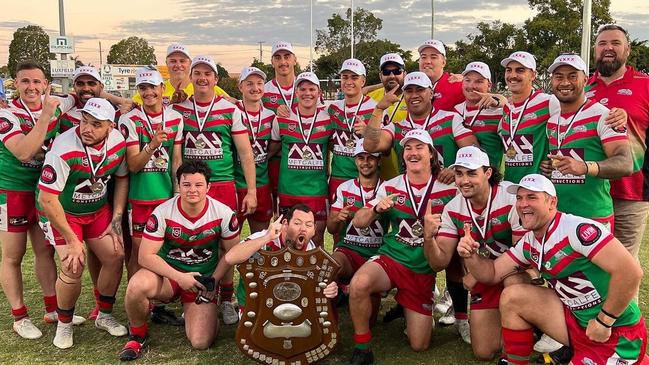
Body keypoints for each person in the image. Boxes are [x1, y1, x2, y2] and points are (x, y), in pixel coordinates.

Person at [458, 173, 647, 365]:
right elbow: (491, 274)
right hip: (577, 324)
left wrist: (604, 320)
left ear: (552, 202)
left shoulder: (576, 229)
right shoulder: (530, 242)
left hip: (617, 330)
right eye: (519, 198)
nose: (523, 204)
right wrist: (471, 256)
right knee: (513, 296)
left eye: (532, 197)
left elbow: (630, 272)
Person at [346, 130, 457, 365]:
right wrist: (376, 209)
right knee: (358, 284)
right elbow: (359, 221)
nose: (413, 152)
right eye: (408, 148)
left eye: (419, 147)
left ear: (431, 154)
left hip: (422, 269)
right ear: (403, 155)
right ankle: (362, 349)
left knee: (419, 345)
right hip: (392, 259)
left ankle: (408, 307)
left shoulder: (449, 188)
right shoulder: (391, 186)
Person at [118, 160, 240, 361]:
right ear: (178, 185)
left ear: (208, 187)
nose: (192, 190)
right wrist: (180, 277)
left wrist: (214, 281)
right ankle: (137, 335)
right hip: (169, 277)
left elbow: (232, 254)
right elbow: (145, 256)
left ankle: (208, 309)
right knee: (136, 285)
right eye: (187, 184)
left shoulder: (223, 213)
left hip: (202, 280)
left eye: (198, 185)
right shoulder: (163, 212)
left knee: (200, 342)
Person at [37, 98, 129, 349]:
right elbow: (47, 198)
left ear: (110, 126)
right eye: (84, 121)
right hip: (62, 213)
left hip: (97, 210)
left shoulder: (119, 142)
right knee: (73, 264)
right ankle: (64, 324)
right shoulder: (64, 147)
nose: (87, 128)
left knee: (115, 255)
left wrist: (117, 217)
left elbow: (121, 178)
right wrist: (72, 239)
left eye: (96, 124)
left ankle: (104, 314)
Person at [172, 55, 257, 324]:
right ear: (190, 77)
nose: (202, 78)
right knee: (191, 241)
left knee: (225, 243)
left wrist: (251, 190)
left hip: (222, 184)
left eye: (208, 74)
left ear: (216, 80)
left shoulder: (230, 110)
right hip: (191, 186)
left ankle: (226, 298)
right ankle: (191, 294)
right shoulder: (179, 110)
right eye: (197, 73)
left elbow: (245, 154)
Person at [0, 61, 81, 340]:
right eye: (25, 81)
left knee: (44, 251)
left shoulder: (57, 103)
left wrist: (119, 100)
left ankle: (52, 309)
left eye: (37, 82)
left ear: (46, 84)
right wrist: (46, 115)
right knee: (13, 255)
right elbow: (23, 152)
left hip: (43, 191)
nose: (31, 87)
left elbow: (83, 94)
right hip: (12, 191)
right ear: (16, 84)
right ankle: (19, 316)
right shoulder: (7, 114)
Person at [427, 146, 526, 357]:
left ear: (488, 173)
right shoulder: (453, 208)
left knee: (513, 285)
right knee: (483, 352)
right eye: (459, 173)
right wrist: (428, 238)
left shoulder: (510, 199)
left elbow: (523, 254)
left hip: (514, 272)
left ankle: (525, 329)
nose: (464, 180)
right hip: (484, 275)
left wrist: (478, 273)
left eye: (472, 173)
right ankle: (518, 322)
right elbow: (439, 263)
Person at [541, 54, 632, 229]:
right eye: (559, 77)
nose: (565, 82)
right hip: (558, 215)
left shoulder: (604, 115)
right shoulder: (552, 122)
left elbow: (625, 163)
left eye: (572, 76)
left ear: (586, 79)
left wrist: (584, 167)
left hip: (593, 216)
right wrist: (550, 168)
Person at [586, 24, 649, 259]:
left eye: (615, 43)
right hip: (588, 191)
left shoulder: (645, 84)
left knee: (622, 266)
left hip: (630, 194)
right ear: (595, 50)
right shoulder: (583, 87)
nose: (608, 48)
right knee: (589, 264)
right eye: (602, 44)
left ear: (628, 50)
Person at [118, 67, 184, 275]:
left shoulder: (175, 118)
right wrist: (152, 145)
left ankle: (160, 299)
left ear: (162, 88)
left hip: (166, 197)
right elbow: (133, 165)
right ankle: (138, 302)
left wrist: (177, 193)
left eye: (153, 87)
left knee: (167, 249)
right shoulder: (129, 120)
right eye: (143, 88)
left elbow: (176, 160)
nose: (148, 93)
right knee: (139, 252)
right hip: (140, 197)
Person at [230, 204, 338, 314]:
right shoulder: (265, 238)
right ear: (285, 224)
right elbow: (230, 257)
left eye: (308, 225)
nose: (303, 229)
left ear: (314, 230)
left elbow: (318, 286)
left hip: (287, 306)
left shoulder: (311, 252)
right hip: (254, 303)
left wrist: (329, 287)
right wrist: (266, 238)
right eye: (297, 223)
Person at [364, 71, 477, 171]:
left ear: (431, 93)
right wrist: (379, 110)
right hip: (410, 193)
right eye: (409, 91)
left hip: (445, 191)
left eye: (420, 90)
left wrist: (456, 170)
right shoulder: (396, 127)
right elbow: (370, 146)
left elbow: (476, 153)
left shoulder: (451, 119)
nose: (414, 95)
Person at [271, 71, 333, 247]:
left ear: (319, 92)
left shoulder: (328, 118)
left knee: (317, 238)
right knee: (284, 240)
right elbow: (273, 150)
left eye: (312, 89)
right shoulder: (281, 118)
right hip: (288, 191)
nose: (307, 93)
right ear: (296, 92)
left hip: (317, 191)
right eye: (303, 89)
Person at [327, 139, 386, 302]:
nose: (365, 163)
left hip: (376, 255)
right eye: (361, 158)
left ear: (379, 160)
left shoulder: (388, 188)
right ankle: (329, 315)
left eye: (370, 158)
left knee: (370, 318)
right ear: (355, 160)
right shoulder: (344, 188)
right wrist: (337, 219)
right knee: (330, 266)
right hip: (348, 251)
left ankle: (356, 290)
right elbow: (331, 229)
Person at [234, 66, 277, 233]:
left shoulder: (271, 116)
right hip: (237, 185)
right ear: (240, 87)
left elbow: (274, 146)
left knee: (261, 241)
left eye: (259, 83)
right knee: (229, 240)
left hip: (262, 185)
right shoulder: (232, 112)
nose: (255, 88)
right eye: (249, 84)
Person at [328, 59, 377, 200]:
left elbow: (385, 148)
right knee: (337, 220)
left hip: (365, 177)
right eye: (345, 77)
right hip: (338, 177)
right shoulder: (332, 108)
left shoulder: (375, 108)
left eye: (354, 77)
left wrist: (369, 132)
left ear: (363, 81)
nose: (349, 82)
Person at [263, 41, 299, 212]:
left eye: (287, 57)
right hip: (273, 160)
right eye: (278, 57)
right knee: (277, 213)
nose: (283, 61)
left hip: (299, 161)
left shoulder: (306, 87)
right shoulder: (263, 90)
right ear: (272, 62)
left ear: (295, 60)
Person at [132, 43, 229, 107]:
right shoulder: (156, 90)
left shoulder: (209, 88)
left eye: (182, 61)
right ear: (166, 63)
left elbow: (235, 105)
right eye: (173, 61)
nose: (178, 65)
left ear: (190, 63)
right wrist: (171, 104)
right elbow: (129, 104)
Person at [454, 62, 505, 168]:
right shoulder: (455, 111)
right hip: (459, 178)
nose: (472, 86)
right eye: (467, 80)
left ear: (489, 85)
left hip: (488, 179)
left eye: (479, 81)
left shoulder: (499, 113)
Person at [365, 53, 407, 181]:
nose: (392, 75)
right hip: (376, 175)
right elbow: (355, 93)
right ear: (380, 76)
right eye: (386, 72)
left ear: (405, 74)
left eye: (397, 71)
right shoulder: (370, 97)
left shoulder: (413, 96)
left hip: (404, 173)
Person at [417, 39, 465, 111]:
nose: (427, 61)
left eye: (433, 57)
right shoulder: (411, 87)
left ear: (443, 63)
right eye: (423, 57)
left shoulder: (458, 85)